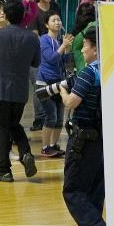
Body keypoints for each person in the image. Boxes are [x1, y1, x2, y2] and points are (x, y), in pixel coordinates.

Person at [0, 0, 40, 182]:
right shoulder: (32, 37)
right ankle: (25, 153)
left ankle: (3, 169)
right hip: (20, 90)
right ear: (23, 15)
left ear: (5, 14)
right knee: (13, 124)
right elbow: (36, 62)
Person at [59, 28, 106, 226]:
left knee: (73, 189)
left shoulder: (89, 73)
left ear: (95, 48)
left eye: (85, 46)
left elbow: (72, 103)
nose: (82, 50)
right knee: (95, 190)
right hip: (103, 138)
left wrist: (61, 92)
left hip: (83, 139)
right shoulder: (111, 70)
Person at [36, 14, 73, 158]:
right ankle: (45, 147)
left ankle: (53, 145)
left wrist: (67, 48)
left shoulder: (58, 40)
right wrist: (63, 46)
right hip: (44, 83)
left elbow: (64, 61)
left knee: (58, 117)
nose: (58, 22)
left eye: (59, 20)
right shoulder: (44, 40)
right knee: (50, 116)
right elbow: (51, 59)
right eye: (54, 20)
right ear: (46, 25)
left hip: (58, 82)